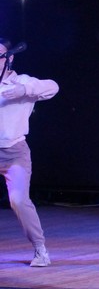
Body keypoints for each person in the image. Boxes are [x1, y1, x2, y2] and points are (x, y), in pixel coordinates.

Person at [0, 37, 58, 268]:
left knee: (18, 200)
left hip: (14, 153)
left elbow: (53, 87)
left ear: (9, 58)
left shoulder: (21, 82)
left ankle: (40, 249)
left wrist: (24, 90)